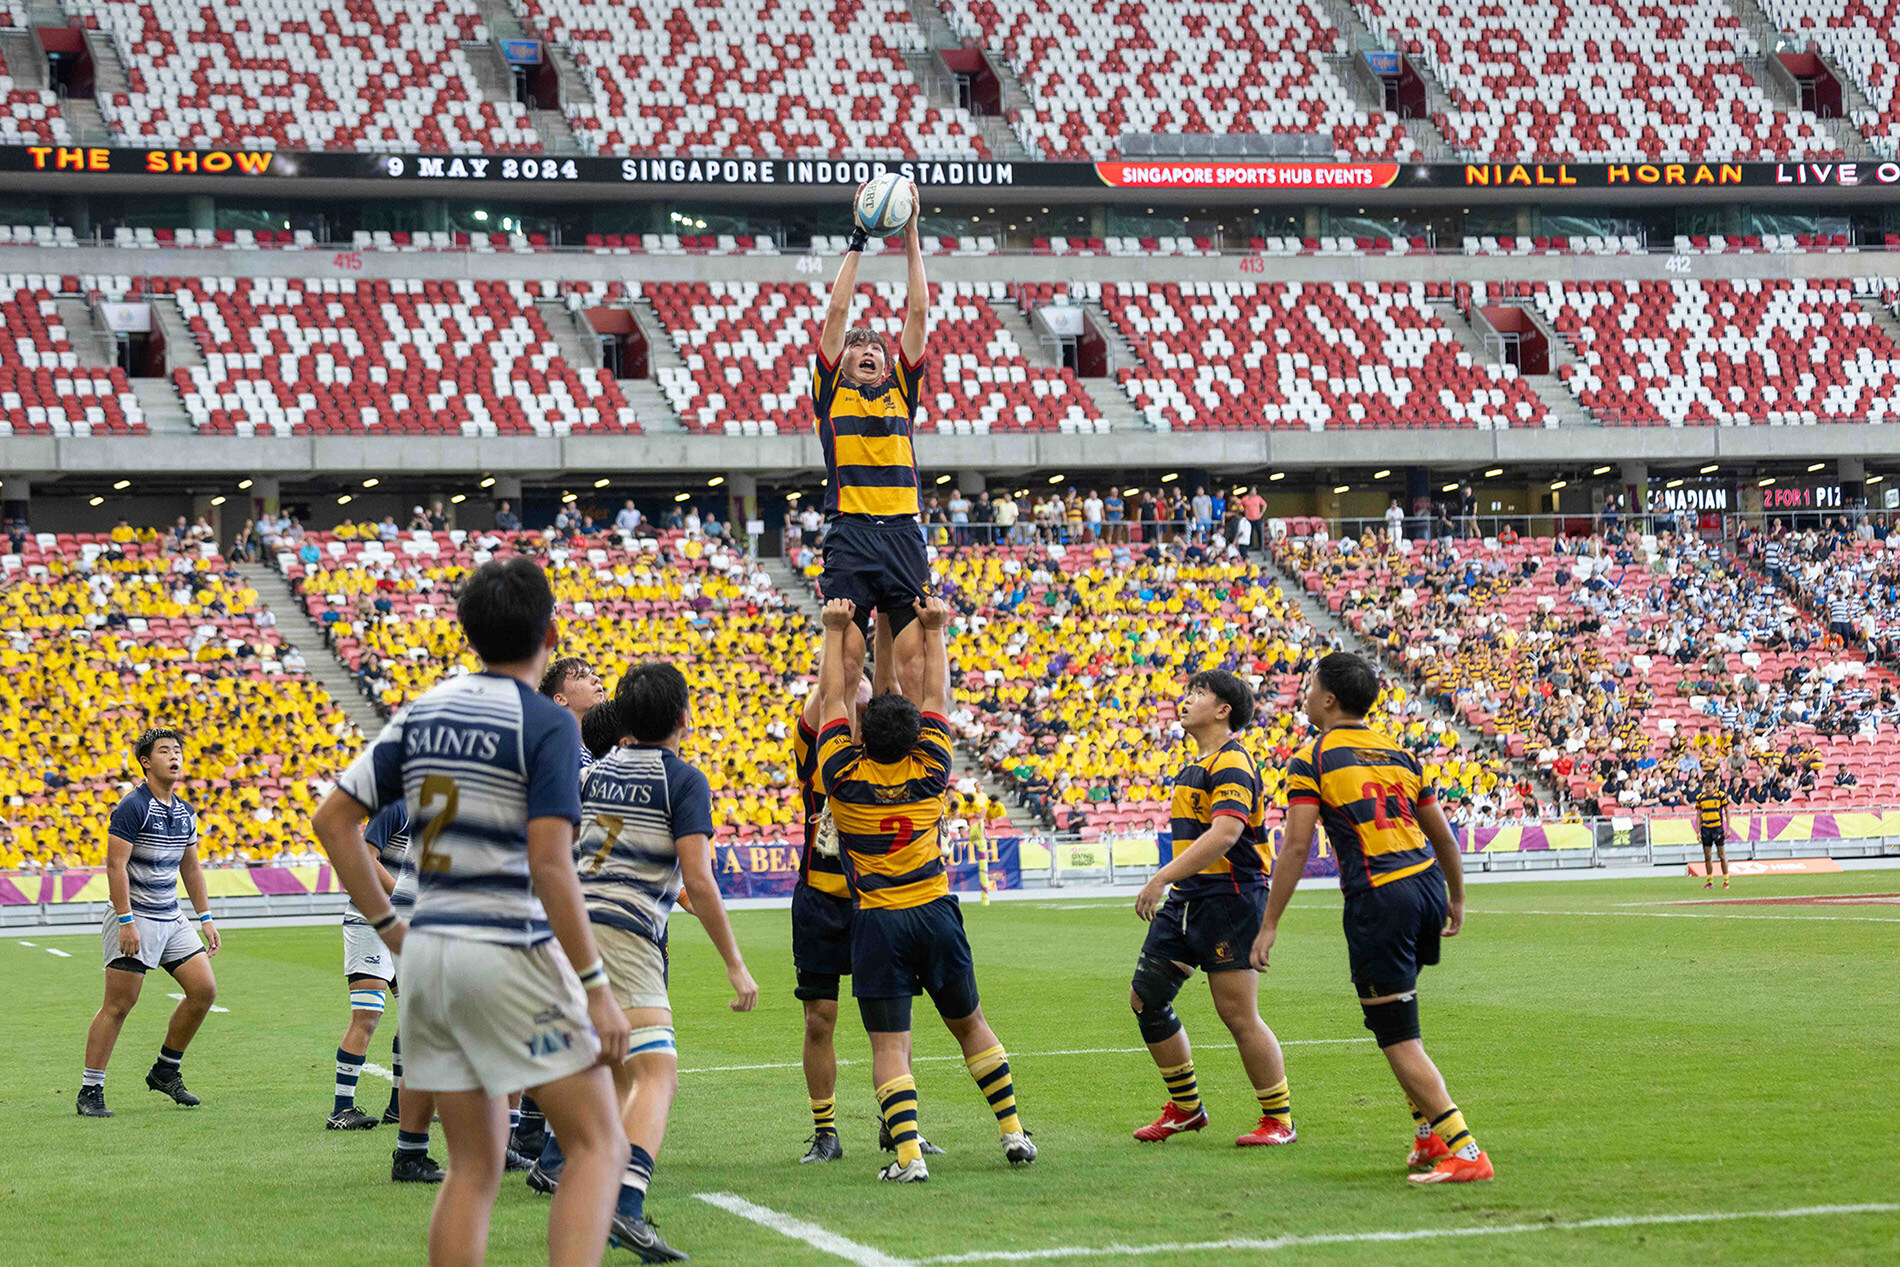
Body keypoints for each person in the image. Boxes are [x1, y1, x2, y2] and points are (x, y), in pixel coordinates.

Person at [311, 557, 632, 1267]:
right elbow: (551, 862)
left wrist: (392, 925)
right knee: (600, 1141)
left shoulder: (423, 711)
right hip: (507, 949)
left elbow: (333, 820)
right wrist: (597, 986)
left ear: (468, 633)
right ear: (550, 631)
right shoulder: (548, 723)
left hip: (429, 954)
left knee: (471, 1167)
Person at [817, 596, 1035, 1181]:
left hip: (879, 921)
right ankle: (1013, 1133)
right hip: (936, 910)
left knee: (889, 1047)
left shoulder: (841, 774)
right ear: (915, 737)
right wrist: (935, 630)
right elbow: (936, 697)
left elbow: (834, 698)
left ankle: (909, 1157)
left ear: (863, 738)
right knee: (971, 1024)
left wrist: (834, 631)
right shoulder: (933, 769)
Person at [1255, 652, 1492, 1184]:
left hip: (1380, 897)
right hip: (1427, 884)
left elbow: (1295, 848)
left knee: (1397, 1035)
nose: (1306, 695)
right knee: (1396, 1019)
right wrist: (1456, 897)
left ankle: (1466, 1150)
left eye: (1311, 686)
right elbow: (1443, 835)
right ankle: (1428, 1133)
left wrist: (1268, 924)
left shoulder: (1312, 758)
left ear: (1330, 699)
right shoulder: (1399, 753)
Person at [568, 662, 758, 1260]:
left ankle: (605, 1196)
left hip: (574, 926)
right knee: (659, 1075)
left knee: (627, 1075)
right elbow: (698, 876)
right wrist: (735, 963)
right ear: (683, 718)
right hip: (626, 936)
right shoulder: (684, 780)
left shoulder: (594, 773)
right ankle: (621, 1208)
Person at [791, 622, 943, 1165]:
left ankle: (897, 1125)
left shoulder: (887, 755)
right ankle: (825, 1130)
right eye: (849, 704)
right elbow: (836, 687)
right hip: (821, 900)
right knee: (820, 1019)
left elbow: (884, 689)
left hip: (875, 904)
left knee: (893, 1023)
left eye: (865, 706)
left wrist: (885, 629)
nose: (855, 712)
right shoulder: (818, 746)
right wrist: (838, 646)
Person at [1128, 671, 1296, 1149]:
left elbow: (1226, 834)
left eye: (1198, 693)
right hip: (1189, 899)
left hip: (1231, 898)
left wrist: (1161, 876)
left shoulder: (1233, 763)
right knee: (1147, 997)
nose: (1186, 700)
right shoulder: (1197, 764)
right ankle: (1186, 1109)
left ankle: (1279, 1119)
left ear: (1223, 710)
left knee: (1237, 1013)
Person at [814, 177, 932, 702]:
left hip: (903, 533)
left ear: (887, 363)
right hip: (852, 533)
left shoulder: (902, 391)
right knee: (846, 660)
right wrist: (859, 240)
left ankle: (913, 759)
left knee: (916, 666)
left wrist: (910, 232)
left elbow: (918, 313)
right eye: (855, 347)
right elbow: (837, 315)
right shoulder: (830, 392)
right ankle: (844, 755)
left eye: (874, 348)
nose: (864, 349)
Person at [78, 728, 221, 1118]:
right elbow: (114, 865)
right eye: (164, 751)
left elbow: (191, 869)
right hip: (135, 916)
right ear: (146, 761)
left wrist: (205, 918)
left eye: (178, 750)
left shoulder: (186, 812)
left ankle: (165, 1069)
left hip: (171, 917)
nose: (174, 757)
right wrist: (126, 921)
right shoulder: (133, 806)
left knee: (204, 990)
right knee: (120, 1005)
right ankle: (90, 1089)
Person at [327, 800, 410, 1133]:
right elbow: (365, 855)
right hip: (370, 919)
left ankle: (399, 1107)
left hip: (405, 923)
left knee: (415, 1017)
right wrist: (405, 895)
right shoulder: (397, 806)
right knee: (368, 1015)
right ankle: (341, 1109)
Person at [1695, 774, 1730, 891]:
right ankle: (1710, 882)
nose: (1708, 784)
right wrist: (1698, 831)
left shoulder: (1720, 796)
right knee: (1707, 856)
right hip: (1706, 829)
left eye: (1710, 782)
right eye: (1706, 782)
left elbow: (1727, 811)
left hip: (1717, 828)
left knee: (1721, 855)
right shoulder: (1700, 797)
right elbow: (1698, 815)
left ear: (1715, 783)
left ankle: (1726, 881)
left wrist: (1728, 828)